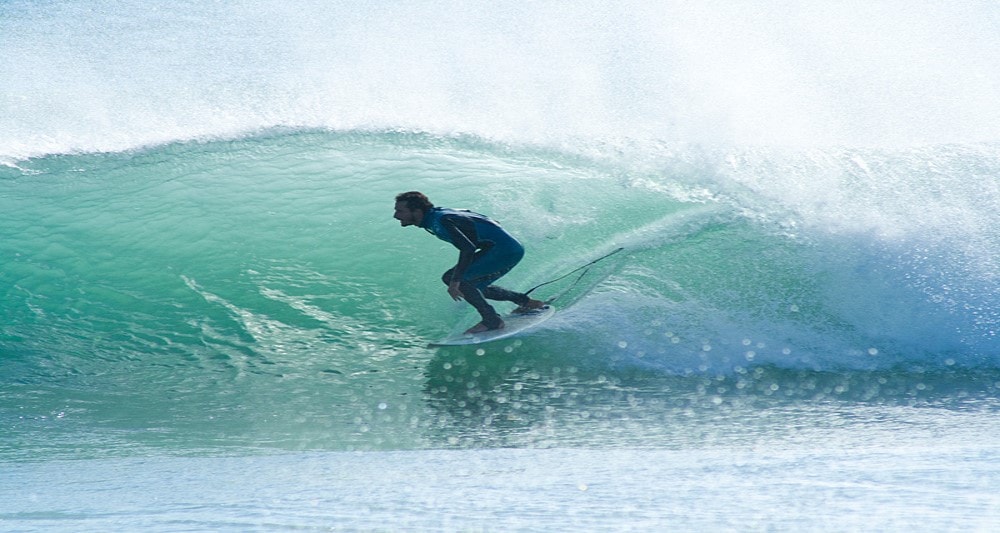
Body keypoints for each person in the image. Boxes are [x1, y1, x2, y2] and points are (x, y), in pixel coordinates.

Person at [393, 191, 546, 333]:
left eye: (400, 211)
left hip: (504, 250)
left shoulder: (442, 220)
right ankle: (527, 303)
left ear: (417, 211)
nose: (396, 215)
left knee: (454, 279)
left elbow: (467, 249)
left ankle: (492, 321)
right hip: (505, 248)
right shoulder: (439, 215)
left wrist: (454, 282)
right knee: (473, 287)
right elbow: (486, 221)